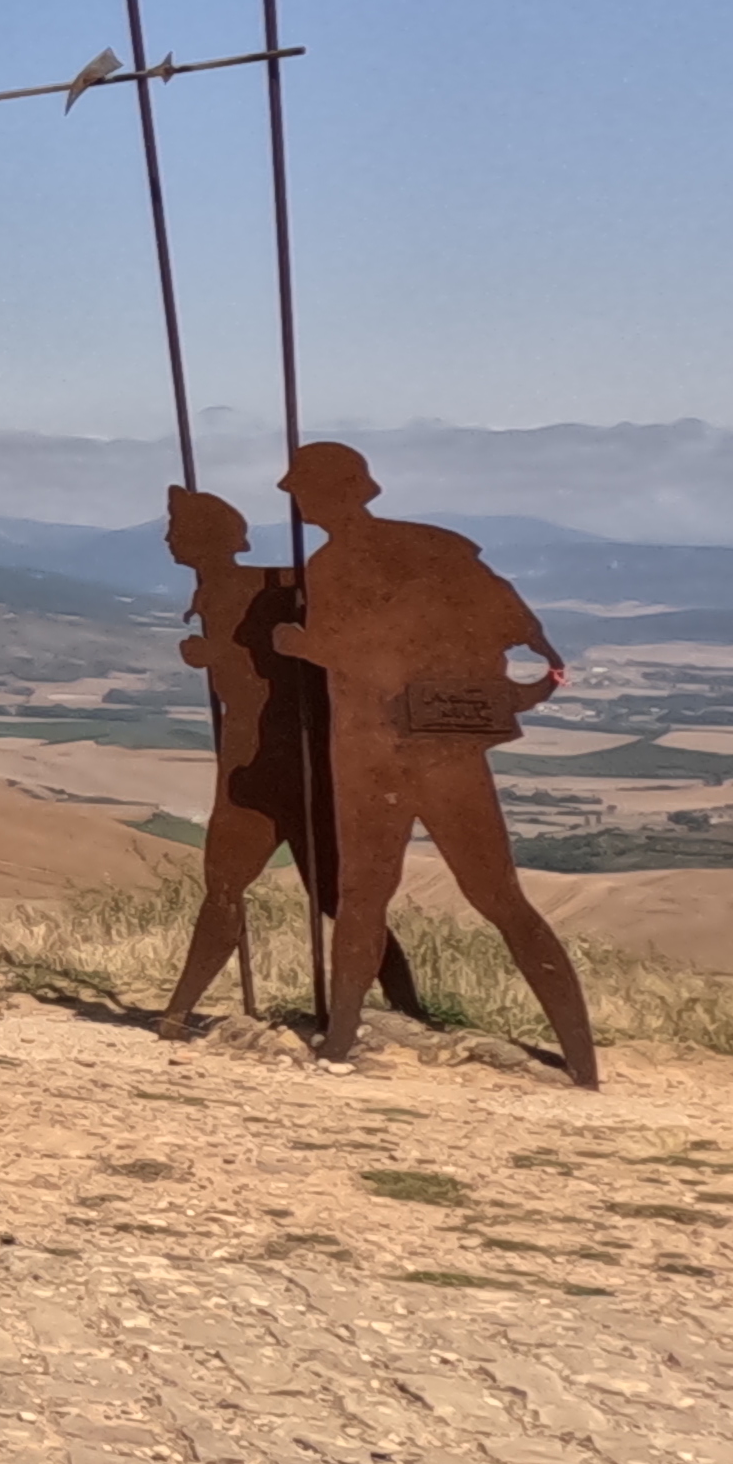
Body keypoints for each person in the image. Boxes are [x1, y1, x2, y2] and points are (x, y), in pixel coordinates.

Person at [262, 441, 600, 1084]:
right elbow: (523, 626)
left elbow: (367, 659)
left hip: (374, 749)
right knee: (500, 897)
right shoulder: (440, 546)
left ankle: (338, 1043)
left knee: (365, 896)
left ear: (335, 492)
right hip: (446, 744)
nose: (294, 501)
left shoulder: (334, 566)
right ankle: (581, 1060)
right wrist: (531, 683)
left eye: (301, 489)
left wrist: (297, 644)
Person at [148, 484, 426, 1038]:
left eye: (176, 531)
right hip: (256, 762)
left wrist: (218, 652)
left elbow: (275, 648)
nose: (167, 540)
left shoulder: (256, 587)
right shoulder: (219, 590)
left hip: (281, 763)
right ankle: (178, 1011)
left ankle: (406, 1005)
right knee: (243, 889)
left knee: (322, 896)